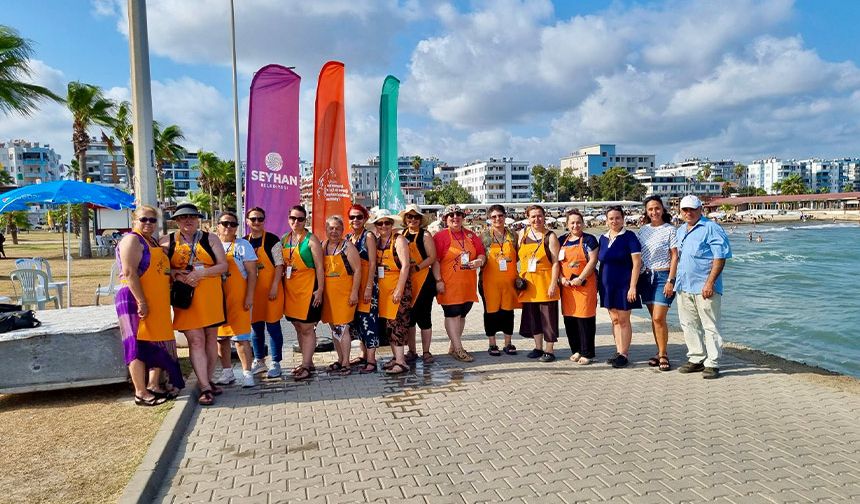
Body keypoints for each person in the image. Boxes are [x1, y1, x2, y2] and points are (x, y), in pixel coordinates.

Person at [115, 205, 184, 406]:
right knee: (136, 344)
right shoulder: (131, 240)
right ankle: (140, 392)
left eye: (152, 220)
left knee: (156, 340)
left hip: (156, 300)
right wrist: (142, 301)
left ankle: (154, 384)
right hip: (133, 298)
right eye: (144, 219)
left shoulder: (152, 240)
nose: (148, 224)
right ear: (134, 220)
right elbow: (129, 273)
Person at [162, 203, 227, 406]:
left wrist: (202, 273)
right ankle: (206, 387)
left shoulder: (210, 238)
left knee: (210, 339)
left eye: (192, 216)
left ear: (198, 219)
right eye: (183, 217)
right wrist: (174, 274)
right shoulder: (168, 241)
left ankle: (205, 381)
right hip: (186, 297)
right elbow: (162, 268)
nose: (188, 220)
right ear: (177, 221)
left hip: (210, 295)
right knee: (196, 340)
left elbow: (223, 265)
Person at [675, 195, 732, 379]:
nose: (688, 213)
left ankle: (713, 363)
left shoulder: (711, 228)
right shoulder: (681, 230)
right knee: (688, 324)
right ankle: (696, 358)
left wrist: (710, 282)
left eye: (692, 209)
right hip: (684, 285)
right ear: (680, 211)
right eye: (685, 209)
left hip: (704, 286)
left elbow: (720, 257)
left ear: (701, 209)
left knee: (710, 325)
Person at [433, 204, 486, 363]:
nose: (455, 218)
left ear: (463, 218)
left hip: (467, 284)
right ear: (445, 219)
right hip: (449, 284)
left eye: (458, 215)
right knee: (452, 314)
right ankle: (458, 348)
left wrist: (479, 261)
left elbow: (481, 253)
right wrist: (438, 280)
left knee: (462, 315)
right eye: (451, 215)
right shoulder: (440, 237)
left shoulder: (471, 235)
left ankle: (453, 346)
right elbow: (435, 261)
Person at [215, 211, 258, 388]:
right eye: (225, 223)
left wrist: (249, 296)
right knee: (221, 338)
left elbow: (252, 274)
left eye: (232, 224)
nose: (228, 227)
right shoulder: (211, 244)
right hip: (217, 299)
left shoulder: (243, 245)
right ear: (218, 225)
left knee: (241, 338)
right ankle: (227, 372)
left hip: (238, 299)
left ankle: (247, 372)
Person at [282, 205, 324, 381]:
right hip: (291, 290)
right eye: (293, 218)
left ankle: (306, 365)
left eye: (300, 219)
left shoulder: (311, 240)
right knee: (298, 326)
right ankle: (307, 361)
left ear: (305, 220)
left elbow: (320, 267)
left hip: (308, 289)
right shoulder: (285, 239)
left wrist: (320, 290)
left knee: (307, 327)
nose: (296, 222)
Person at [244, 207, 286, 379]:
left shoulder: (272, 240)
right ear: (247, 221)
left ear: (264, 220)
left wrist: (275, 286)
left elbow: (279, 265)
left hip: (271, 291)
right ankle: (259, 360)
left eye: (260, 219)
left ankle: (276, 362)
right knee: (256, 328)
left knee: (273, 327)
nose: (256, 222)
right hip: (253, 293)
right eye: (253, 219)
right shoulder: (244, 242)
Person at [370, 209, 413, 374]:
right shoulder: (378, 241)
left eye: (387, 223)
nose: (384, 226)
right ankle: (396, 357)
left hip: (397, 289)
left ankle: (401, 362)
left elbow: (406, 266)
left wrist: (399, 290)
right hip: (383, 290)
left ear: (392, 224)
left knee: (398, 325)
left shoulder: (399, 239)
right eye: (380, 223)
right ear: (376, 226)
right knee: (389, 325)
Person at [637, 197, 678, 372]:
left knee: (658, 318)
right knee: (654, 319)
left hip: (663, 276)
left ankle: (663, 355)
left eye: (657, 208)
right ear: (646, 211)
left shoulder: (670, 230)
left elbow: (675, 256)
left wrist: (671, 279)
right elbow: (636, 255)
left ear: (663, 209)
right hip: (646, 277)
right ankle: (660, 351)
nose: (654, 212)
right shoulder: (642, 230)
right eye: (650, 209)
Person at [598, 205, 642, 369]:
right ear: (607, 220)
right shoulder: (603, 238)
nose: (614, 221)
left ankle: (624, 354)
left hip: (624, 284)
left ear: (623, 219)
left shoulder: (629, 237)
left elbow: (637, 264)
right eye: (611, 218)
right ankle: (618, 351)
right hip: (607, 285)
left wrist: (633, 287)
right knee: (614, 319)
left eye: (617, 218)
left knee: (623, 320)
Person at [517, 205, 561, 362]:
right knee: (533, 317)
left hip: (545, 283)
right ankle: (538, 347)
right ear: (528, 218)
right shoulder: (522, 234)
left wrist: (553, 284)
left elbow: (556, 263)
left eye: (539, 216)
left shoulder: (550, 236)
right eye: (533, 216)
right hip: (528, 284)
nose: (537, 219)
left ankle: (549, 349)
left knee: (548, 319)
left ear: (544, 217)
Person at [321, 215, 361, 375]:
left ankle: (346, 362)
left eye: (337, 228)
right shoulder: (323, 246)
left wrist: (354, 293)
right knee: (334, 329)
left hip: (344, 295)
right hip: (328, 296)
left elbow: (358, 270)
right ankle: (339, 358)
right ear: (326, 230)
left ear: (343, 230)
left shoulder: (348, 247)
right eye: (331, 228)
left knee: (343, 328)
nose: (334, 231)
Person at [558, 209, 599, 365]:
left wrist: (581, 278)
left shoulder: (589, 240)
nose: (575, 225)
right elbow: (557, 263)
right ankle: (576, 349)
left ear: (583, 223)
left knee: (585, 319)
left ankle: (587, 352)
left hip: (585, 285)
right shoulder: (562, 240)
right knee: (570, 320)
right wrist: (561, 279)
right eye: (572, 223)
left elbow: (593, 261)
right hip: (567, 287)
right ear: (567, 224)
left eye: (578, 222)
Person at [479, 204, 521, 356]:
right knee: (490, 313)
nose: (498, 219)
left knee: (508, 312)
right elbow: (480, 256)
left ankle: (508, 343)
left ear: (505, 216)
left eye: (500, 215)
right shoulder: (484, 236)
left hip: (509, 280)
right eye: (494, 216)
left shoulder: (513, 235)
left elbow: (518, 256)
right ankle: (492, 344)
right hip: (488, 280)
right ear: (489, 219)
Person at [399, 205, 437, 364]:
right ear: (405, 219)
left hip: (424, 280)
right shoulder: (402, 235)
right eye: (409, 217)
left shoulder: (425, 235)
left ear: (420, 220)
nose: (412, 220)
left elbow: (432, 257)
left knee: (425, 318)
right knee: (409, 319)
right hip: (407, 281)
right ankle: (411, 350)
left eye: (416, 217)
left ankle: (426, 351)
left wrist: (417, 267)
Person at [345, 204, 380, 374]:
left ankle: (372, 360)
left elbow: (373, 262)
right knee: (358, 321)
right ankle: (363, 354)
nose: (355, 220)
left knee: (369, 321)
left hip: (367, 284)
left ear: (365, 219)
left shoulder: (369, 236)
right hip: (353, 285)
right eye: (352, 217)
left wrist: (368, 287)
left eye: (359, 217)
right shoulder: (349, 237)